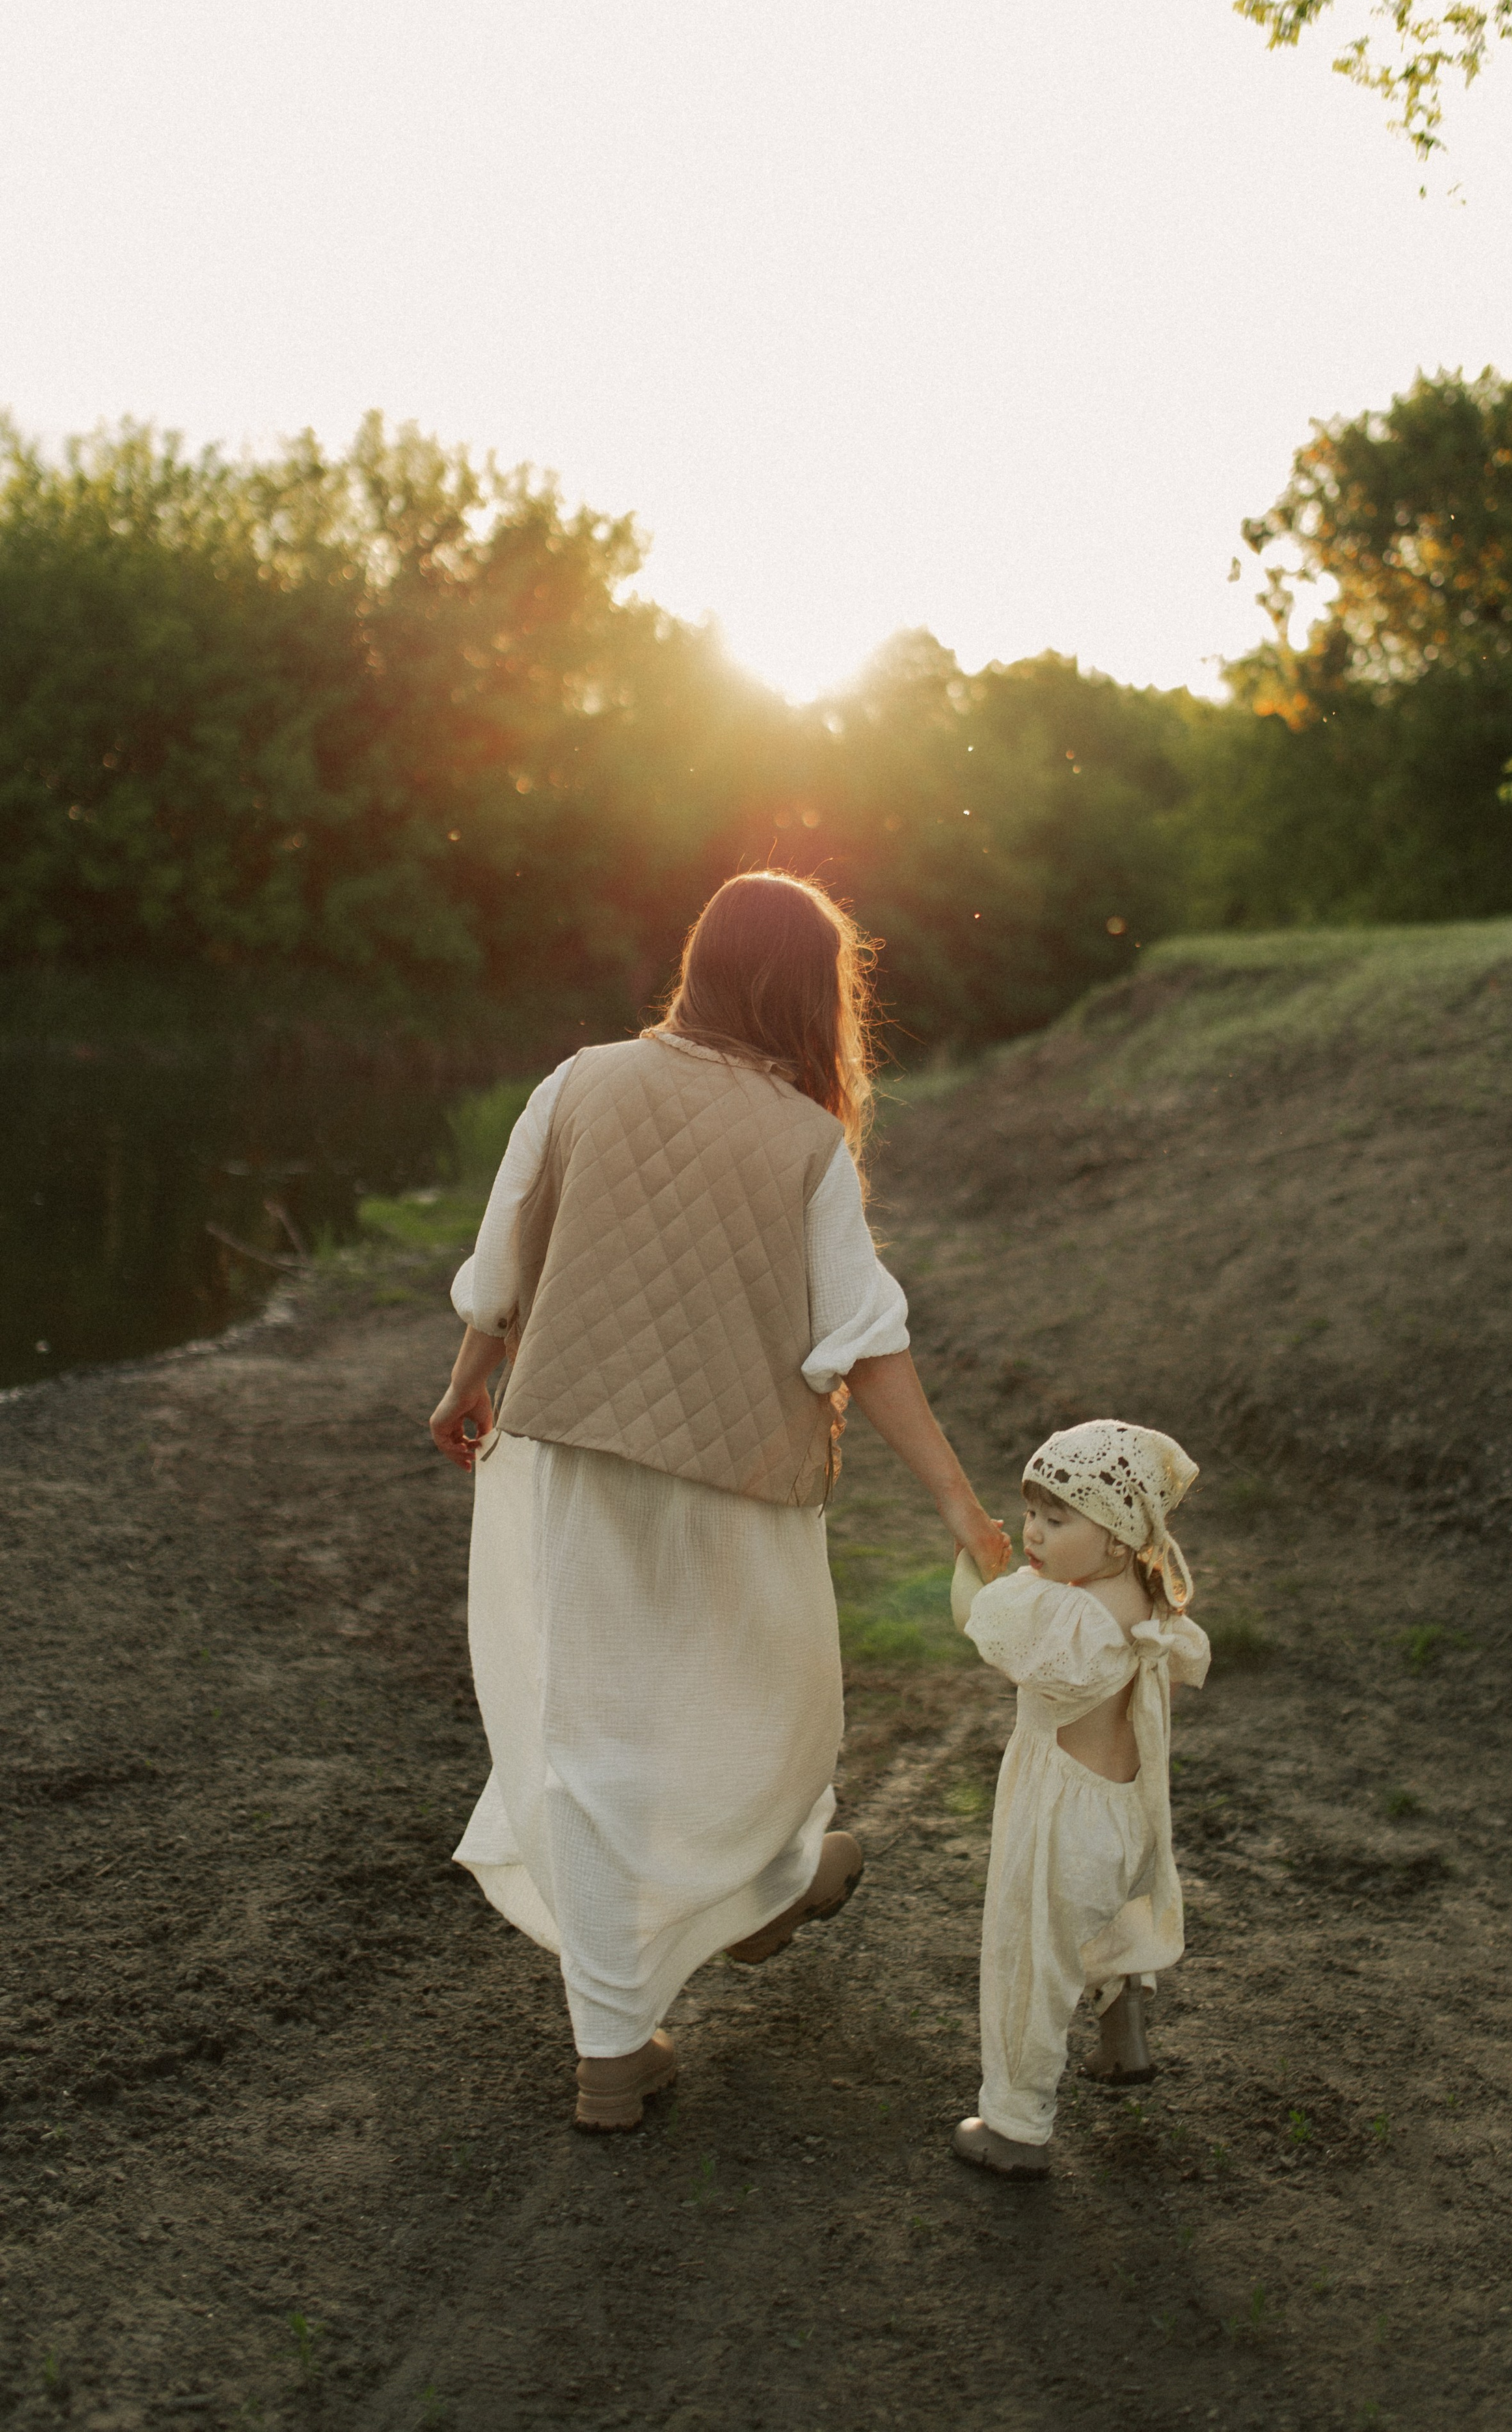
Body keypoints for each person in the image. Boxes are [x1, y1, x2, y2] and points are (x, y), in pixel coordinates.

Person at [429, 871, 1010, 2132]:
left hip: (574, 1448)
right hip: (738, 1483)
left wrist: (470, 1382)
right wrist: (963, 1512)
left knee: (585, 1737)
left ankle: (614, 2054)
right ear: (808, 994)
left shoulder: (578, 1079)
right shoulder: (804, 1139)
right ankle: (767, 1891)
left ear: (699, 965)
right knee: (762, 1712)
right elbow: (867, 1341)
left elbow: (504, 1255)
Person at [951, 1421, 1210, 2179]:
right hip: (1125, 1813)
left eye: (1057, 1520)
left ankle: (1014, 2123)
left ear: (1118, 1539)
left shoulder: (1068, 1615)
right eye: (1031, 1513)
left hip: (1062, 1819)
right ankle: (1121, 2039)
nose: (1032, 1533)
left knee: (1030, 1960)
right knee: (1115, 1916)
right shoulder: (1143, 1597)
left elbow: (977, 1622)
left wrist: (970, 1566)